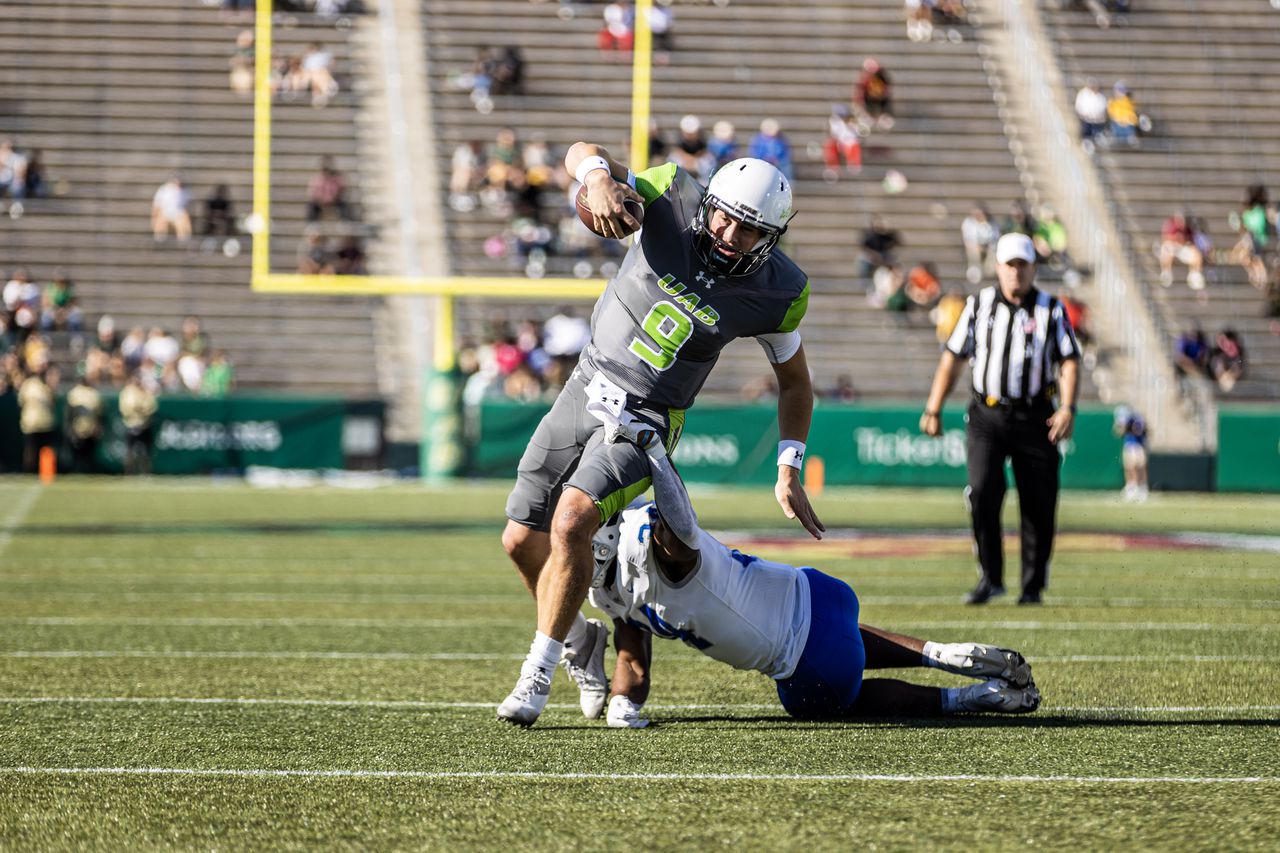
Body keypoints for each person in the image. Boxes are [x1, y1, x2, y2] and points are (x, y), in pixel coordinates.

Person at [496, 143, 823, 727]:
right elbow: (582, 154)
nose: (728, 233)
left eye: (749, 230)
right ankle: (579, 643)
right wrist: (596, 179)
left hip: (648, 421)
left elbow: (795, 383)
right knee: (521, 540)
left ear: (771, 238)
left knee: (573, 520)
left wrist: (789, 465)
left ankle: (536, 674)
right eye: (723, 215)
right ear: (709, 203)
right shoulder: (671, 195)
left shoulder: (777, 291)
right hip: (586, 384)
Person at [585, 424, 1040, 727]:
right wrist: (652, 452)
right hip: (818, 591)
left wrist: (624, 706)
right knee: (837, 637)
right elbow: (633, 657)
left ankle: (968, 699)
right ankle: (941, 652)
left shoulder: (649, 555)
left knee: (838, 695)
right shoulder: (626, 562)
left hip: (810, 669)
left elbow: (680, 538)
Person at [919, 233, 1081, 606]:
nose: (1016, 273)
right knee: (982, 491)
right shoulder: (979, 306)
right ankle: (990, 578)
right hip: (986, 414)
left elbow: (1069, 359)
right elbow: (953, 357)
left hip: (1036, 415)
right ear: (998, 268)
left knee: (1039, 503)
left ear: (1033, 269)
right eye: (1010, 265)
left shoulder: (1051, 309)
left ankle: (1032, 587)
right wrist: (933, 407)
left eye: (1022, 265)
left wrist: (1068, 407)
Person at [64, 375, 104, 474]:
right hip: (79, 427)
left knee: (88, 456)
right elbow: (69, 413)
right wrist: (70, 428)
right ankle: (77, 472)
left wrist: (97, 426)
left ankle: (85, 472)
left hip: (88, 428)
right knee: (78, 455)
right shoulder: (75, 393)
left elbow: (99, 414)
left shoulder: (93, 394)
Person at [120, 372, 158, 475]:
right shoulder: (127, 392)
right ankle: (129, 473)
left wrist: (141, 409)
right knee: (130, 451)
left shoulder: (146, 392)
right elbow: (127, 408)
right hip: (131, 424)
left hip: (145, 424)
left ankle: (146, 472)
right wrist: (139, 408)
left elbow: (151, 407)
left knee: (146, 452)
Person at [1159, 209, 1206, 290]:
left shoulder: (1187, 229)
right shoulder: (1171, 226)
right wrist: (1176, 239)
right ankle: (1166, 273)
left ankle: (1195, 274)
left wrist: (1183, 240)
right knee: (1166, 249)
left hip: (1182, 248)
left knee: (1196, 253)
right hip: (1172, 248)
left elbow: (1191, 242)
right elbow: (1165, 239)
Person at [1113, 406, 1148, 503]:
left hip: (1138, 446)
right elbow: (1118, 432)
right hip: (1129, 446)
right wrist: (1123, 427)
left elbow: (1140, 431)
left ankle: (1142, 488)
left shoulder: (1137, 420)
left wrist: (1129, 428)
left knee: (1140, 468)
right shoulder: (1125, 420)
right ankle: (1131, 487)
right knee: (1129, 468)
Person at [151, 176, 192, 242]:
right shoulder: (163, 190)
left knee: (183, 221)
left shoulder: (185, 191)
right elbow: (156, 206)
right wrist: (154, 219)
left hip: (179, 214)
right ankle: (159, 240)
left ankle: (184, 241)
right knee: (160, 220)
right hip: (165, 213)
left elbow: (189, 206)